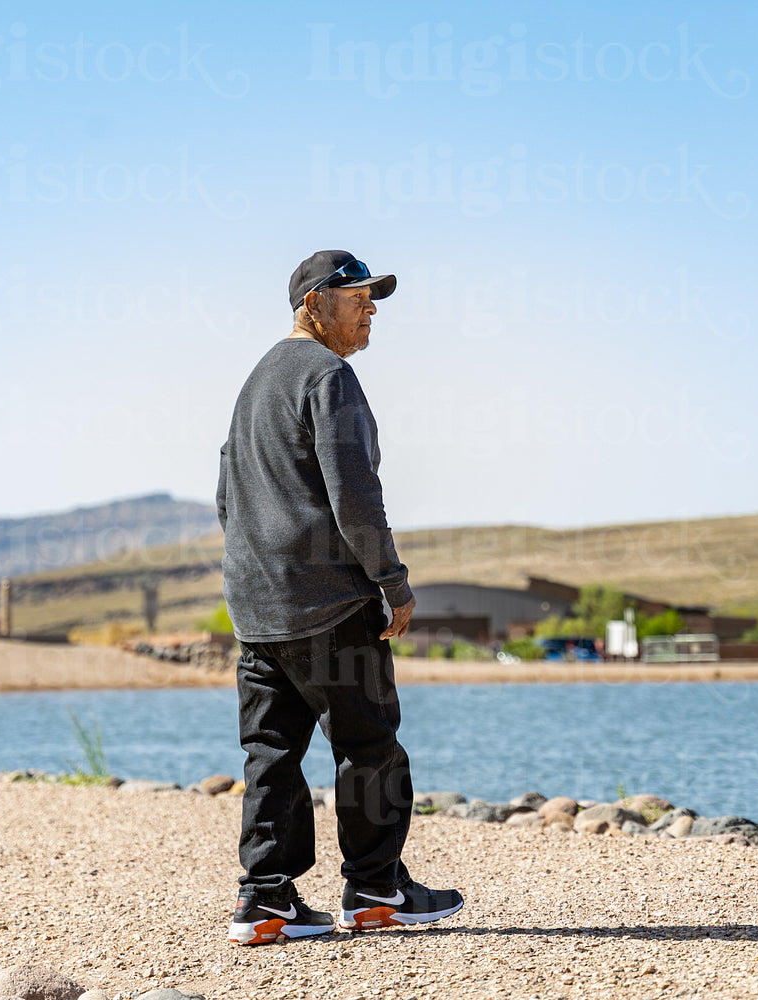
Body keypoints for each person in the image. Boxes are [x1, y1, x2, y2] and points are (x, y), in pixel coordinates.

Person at [218, 250, 464, 943]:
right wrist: (393, 583)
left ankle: (266, 899)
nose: (370, 308)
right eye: (356, 296)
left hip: (258, 609)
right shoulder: (329, 376)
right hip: (329, 605)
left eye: (371, 297)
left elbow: (225, 494)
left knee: (271, 751)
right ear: (312, 305)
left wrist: (257, 574)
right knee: (369, 747)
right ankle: (376, 890)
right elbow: (355, 495)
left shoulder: (256, 382)